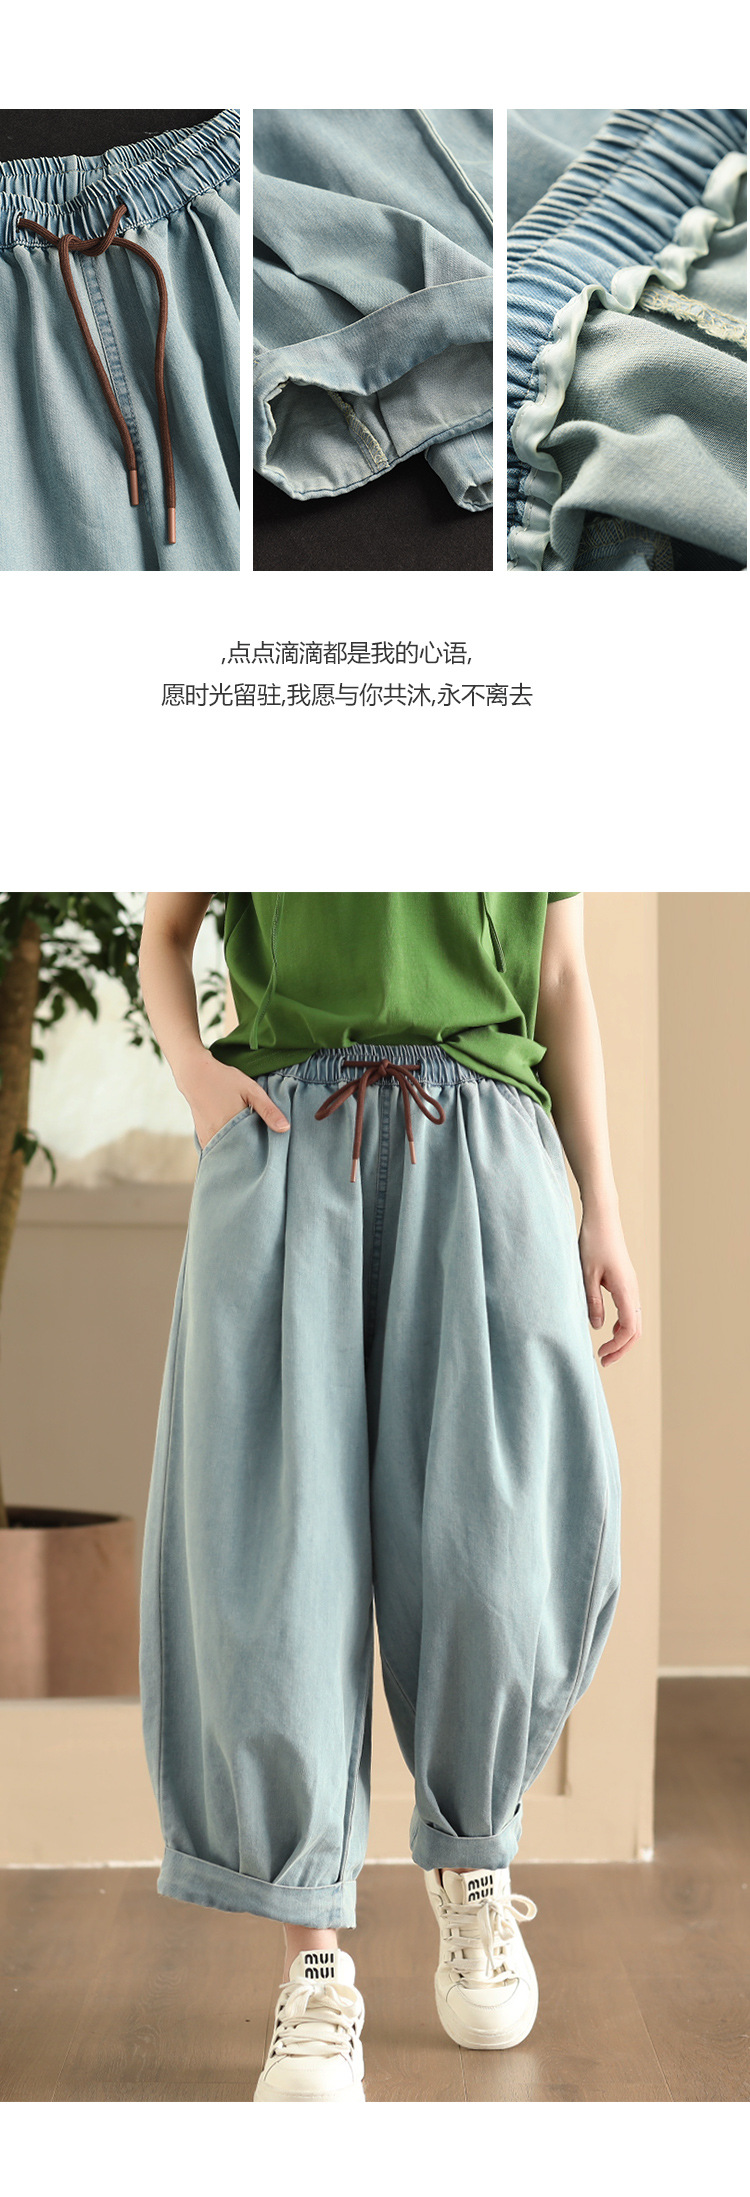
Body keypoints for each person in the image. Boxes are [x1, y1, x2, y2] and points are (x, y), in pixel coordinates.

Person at [137, 891, 641, 2105]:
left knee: (501, 1554)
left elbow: (560, 976)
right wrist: (195, 1074)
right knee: (277, 1569)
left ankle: (473, 1861)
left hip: (487, 1141)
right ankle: (314, 1960)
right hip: (286, 1139)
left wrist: (602, 1206)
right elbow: (166, 930)